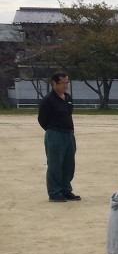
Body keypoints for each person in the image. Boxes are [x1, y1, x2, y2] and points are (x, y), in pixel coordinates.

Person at [37, 71, 79, 202]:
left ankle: (66, 190)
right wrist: (52, 130)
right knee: (55, 164)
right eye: (62, 83)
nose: (65, 86)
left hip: (68, 134)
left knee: (69, 164)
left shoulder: (68, 98)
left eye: (67, 83)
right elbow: (42, 119)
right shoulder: (48, 100)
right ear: (54, 83)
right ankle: (54, 192)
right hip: (55, 134)